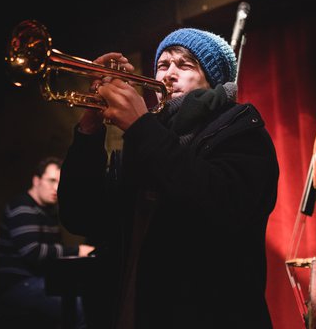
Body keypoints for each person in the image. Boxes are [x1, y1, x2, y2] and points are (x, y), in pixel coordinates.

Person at [57, 28, 279, 329]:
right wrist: (90, 128)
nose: (169, 75)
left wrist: (142, 127)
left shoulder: (242, 132)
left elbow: (218, 206)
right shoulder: (144, 141)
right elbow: (81, 216)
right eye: (163, 65)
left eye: (185, 65)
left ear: (213, 78)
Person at [0, 156, 95, 328]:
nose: (56, 188)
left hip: (38, 280)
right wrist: (77, 251)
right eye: (51, 180)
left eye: (60, 182)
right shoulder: (22, 206)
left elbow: (53, 255)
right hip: (17, 284)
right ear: (36, 180)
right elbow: (33, 252)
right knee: (79, 306)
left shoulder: (49, 212)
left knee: (87, 298)